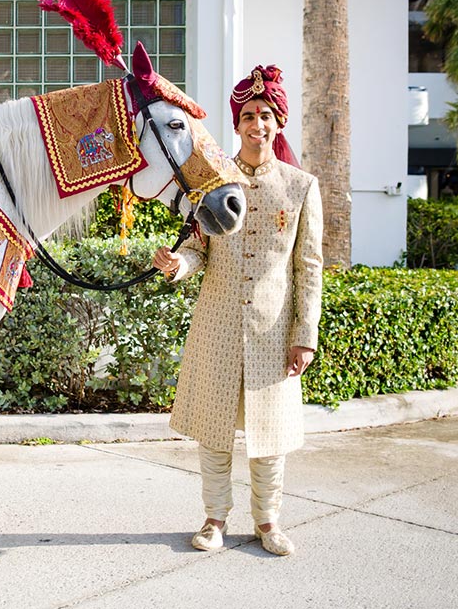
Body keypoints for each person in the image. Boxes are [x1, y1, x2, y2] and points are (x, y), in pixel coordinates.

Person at [152, 65, 323, 556]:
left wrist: (304, 334)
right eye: (249, 115)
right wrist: (175, 264)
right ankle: (213, 520)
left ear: (278, 121)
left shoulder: (300, 186)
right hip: (218, 323)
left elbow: (309, 266)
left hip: (273, 330)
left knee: (270, 436)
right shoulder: (212, 180)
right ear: (237, 122)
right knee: (215, 428)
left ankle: (268, 523)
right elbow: (197, 251)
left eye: (266, 114)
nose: (257, 124)